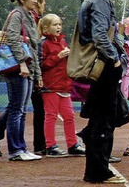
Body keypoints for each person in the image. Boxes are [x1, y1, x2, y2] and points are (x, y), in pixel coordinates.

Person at [75, 0, 126, 184]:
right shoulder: (100, 1)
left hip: (102, 65)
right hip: (104, 66)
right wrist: (114, 57)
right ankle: (98, 171)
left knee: (102, 116)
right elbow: (99, 35)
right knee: (104, 118)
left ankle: (97, 166)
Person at [0, 0, 43, 161]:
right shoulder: (16, 15)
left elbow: (33, 46)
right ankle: (15, 150)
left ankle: (21, 148)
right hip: (18, 69)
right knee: (17, 109)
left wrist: (37, 74)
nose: (35, 1)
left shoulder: (30, 16)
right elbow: (13, 40)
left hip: (29, 68)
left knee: (22, 110)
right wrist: (22, 63)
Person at [37, 14, 86, 157]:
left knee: (69, 115)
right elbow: (40, 64)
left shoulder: (63, 42)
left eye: (59, 24)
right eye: (54, 25)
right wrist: (58, 57)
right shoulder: (43, 43)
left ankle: (72, 144)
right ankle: (50, 146)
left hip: (64, 85)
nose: (58, 27)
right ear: (46, 27)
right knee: (51, 115)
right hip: (50, 85)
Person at [30, 0, 46, 155]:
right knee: (17, 107)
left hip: (31, 68)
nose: (44, 7)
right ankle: (39, 144)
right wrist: (38, 75)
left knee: (17, 107)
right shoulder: (30, 19)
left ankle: (40, 144)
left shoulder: (33, 20)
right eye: (42, 3)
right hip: (28, 68)